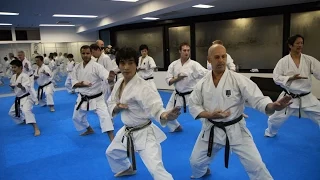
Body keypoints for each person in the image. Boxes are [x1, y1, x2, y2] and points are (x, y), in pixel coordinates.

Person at [188, 44, 292, 179]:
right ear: (209, 60)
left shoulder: (237, 79)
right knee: (195, 163)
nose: (221, 60)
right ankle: (203, 171)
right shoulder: (202, 83)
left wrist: (272, 106)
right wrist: (209, 115)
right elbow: (193, 104)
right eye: (217, 57)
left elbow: (258, 99)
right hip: (211, 129)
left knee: (256, 166)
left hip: (236, 129)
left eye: (223, 56)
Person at [105, 47, 181, 179]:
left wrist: (165, 115)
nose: (126, 67)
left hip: (144, 133)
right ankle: (127, 167)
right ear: (118, 65)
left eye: (130, 62)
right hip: (126, 131)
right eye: (122, 63)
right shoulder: (119, 83)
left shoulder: (143, 86)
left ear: (136, 64)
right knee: (112, 152)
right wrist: (117, 107)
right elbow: (111, 102)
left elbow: (156, 107)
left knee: (156, 169)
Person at [265, 34, 320, 137]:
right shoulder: (283, 61)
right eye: (297, 43)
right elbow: (276, 77)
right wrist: (290, 78)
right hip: (288, 97)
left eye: (302, 43)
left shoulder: (309, 60)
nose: (300, 45)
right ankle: (270, 132)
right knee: (275, 119)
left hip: (306, 96)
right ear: (290, 45)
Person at [71, 45, 115, 140]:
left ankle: (112, 140)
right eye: (83, 53)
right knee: (76, 117)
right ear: (80, 54)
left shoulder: (97, 66)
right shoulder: (77, 67)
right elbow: (73, 83)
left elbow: (106, 77)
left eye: (88, 53)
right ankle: (89, 129)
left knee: (106, 118)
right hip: (82, 97)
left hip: (97, 98)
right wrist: (82, 83)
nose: (86, 55)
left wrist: (110, 78)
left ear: (91, 54)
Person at [165, 42, 208, 132]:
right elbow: (169, 81)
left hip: (192, 94)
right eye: (184, 50)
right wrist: (178, 78)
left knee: (203, 114)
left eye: (188, 50)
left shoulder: (194, 65)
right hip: (177, 94)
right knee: (166, 114)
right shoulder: (173, 65)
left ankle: (209, 130)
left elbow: (207, 74)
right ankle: (176, 127)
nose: (186, 52)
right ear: (180, 51)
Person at [8, 60, 40, 136]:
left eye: (15, 67)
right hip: (18, 98)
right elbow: (13, 87)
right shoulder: (13, 76)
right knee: (11, 113)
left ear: (20, 67)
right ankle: (24, 119)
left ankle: (36, 128)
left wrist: (21, 86)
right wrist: (12, 87)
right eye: (12, 67)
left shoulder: (25, 76)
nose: (13, 69)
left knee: (26, 111)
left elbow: (26, 89)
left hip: (27, 98)